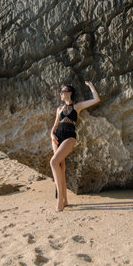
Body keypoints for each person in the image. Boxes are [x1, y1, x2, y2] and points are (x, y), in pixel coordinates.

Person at [50, 80, 100, 212]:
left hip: (69, 136)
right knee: (61, 166)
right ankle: (65, 200)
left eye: (63, 91)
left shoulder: (77, 106)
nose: (61, 93)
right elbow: (55, 125)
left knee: (54, 162)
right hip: (57, 136)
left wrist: (91, 86)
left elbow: (96, 99)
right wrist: (51, 135)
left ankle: (59, 200)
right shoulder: (59, 109)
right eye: (61, 92)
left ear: (70, 93)